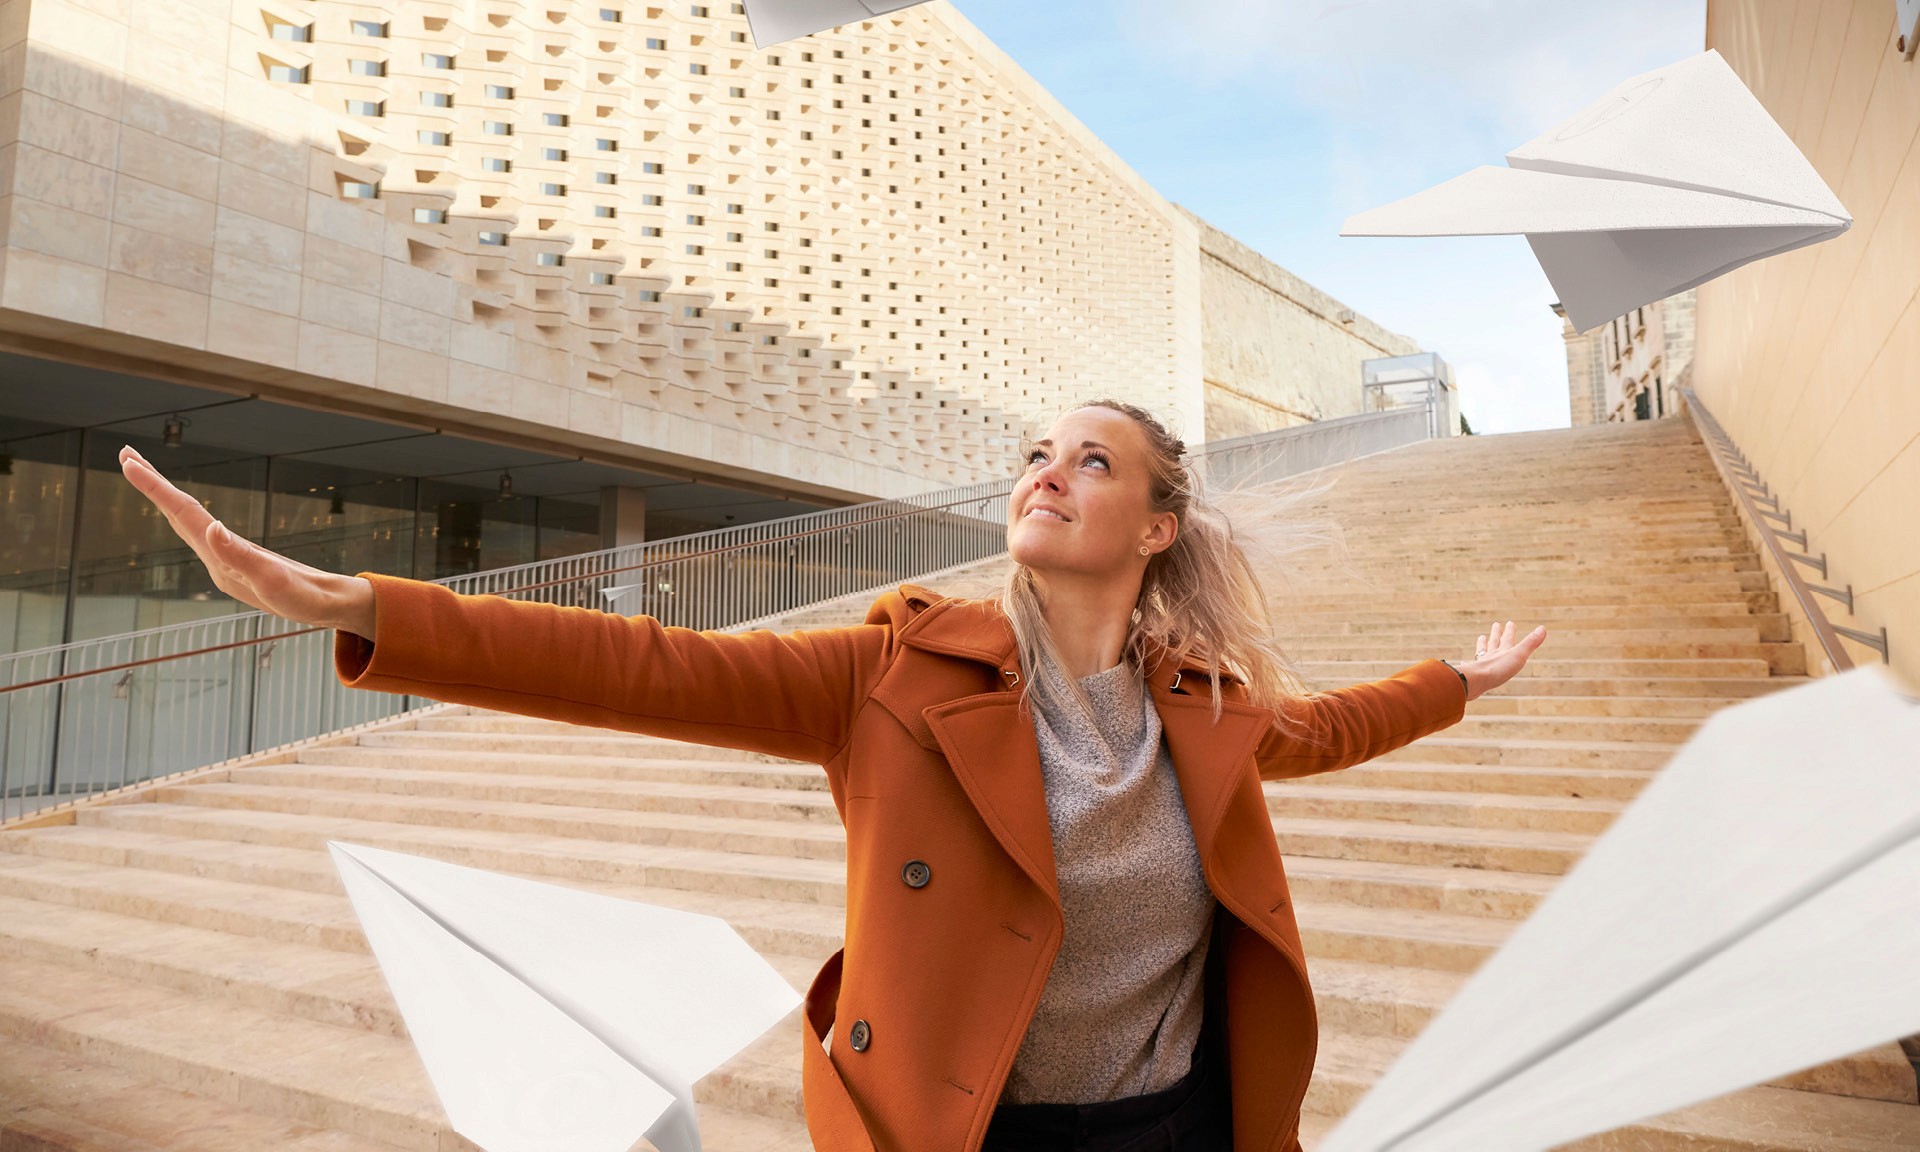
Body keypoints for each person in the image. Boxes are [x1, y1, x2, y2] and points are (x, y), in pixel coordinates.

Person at [117, 398, 1546, 1152]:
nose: (1045, 472)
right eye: (1035, 454)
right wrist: (357, 606)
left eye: (1090, 461)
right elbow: (642, 664)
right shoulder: (890, 678)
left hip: (1174, 1128)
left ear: (1159, 525)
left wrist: (1456, 685)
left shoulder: (1205, 707)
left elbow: (1332, 727)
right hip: (959, 1133)